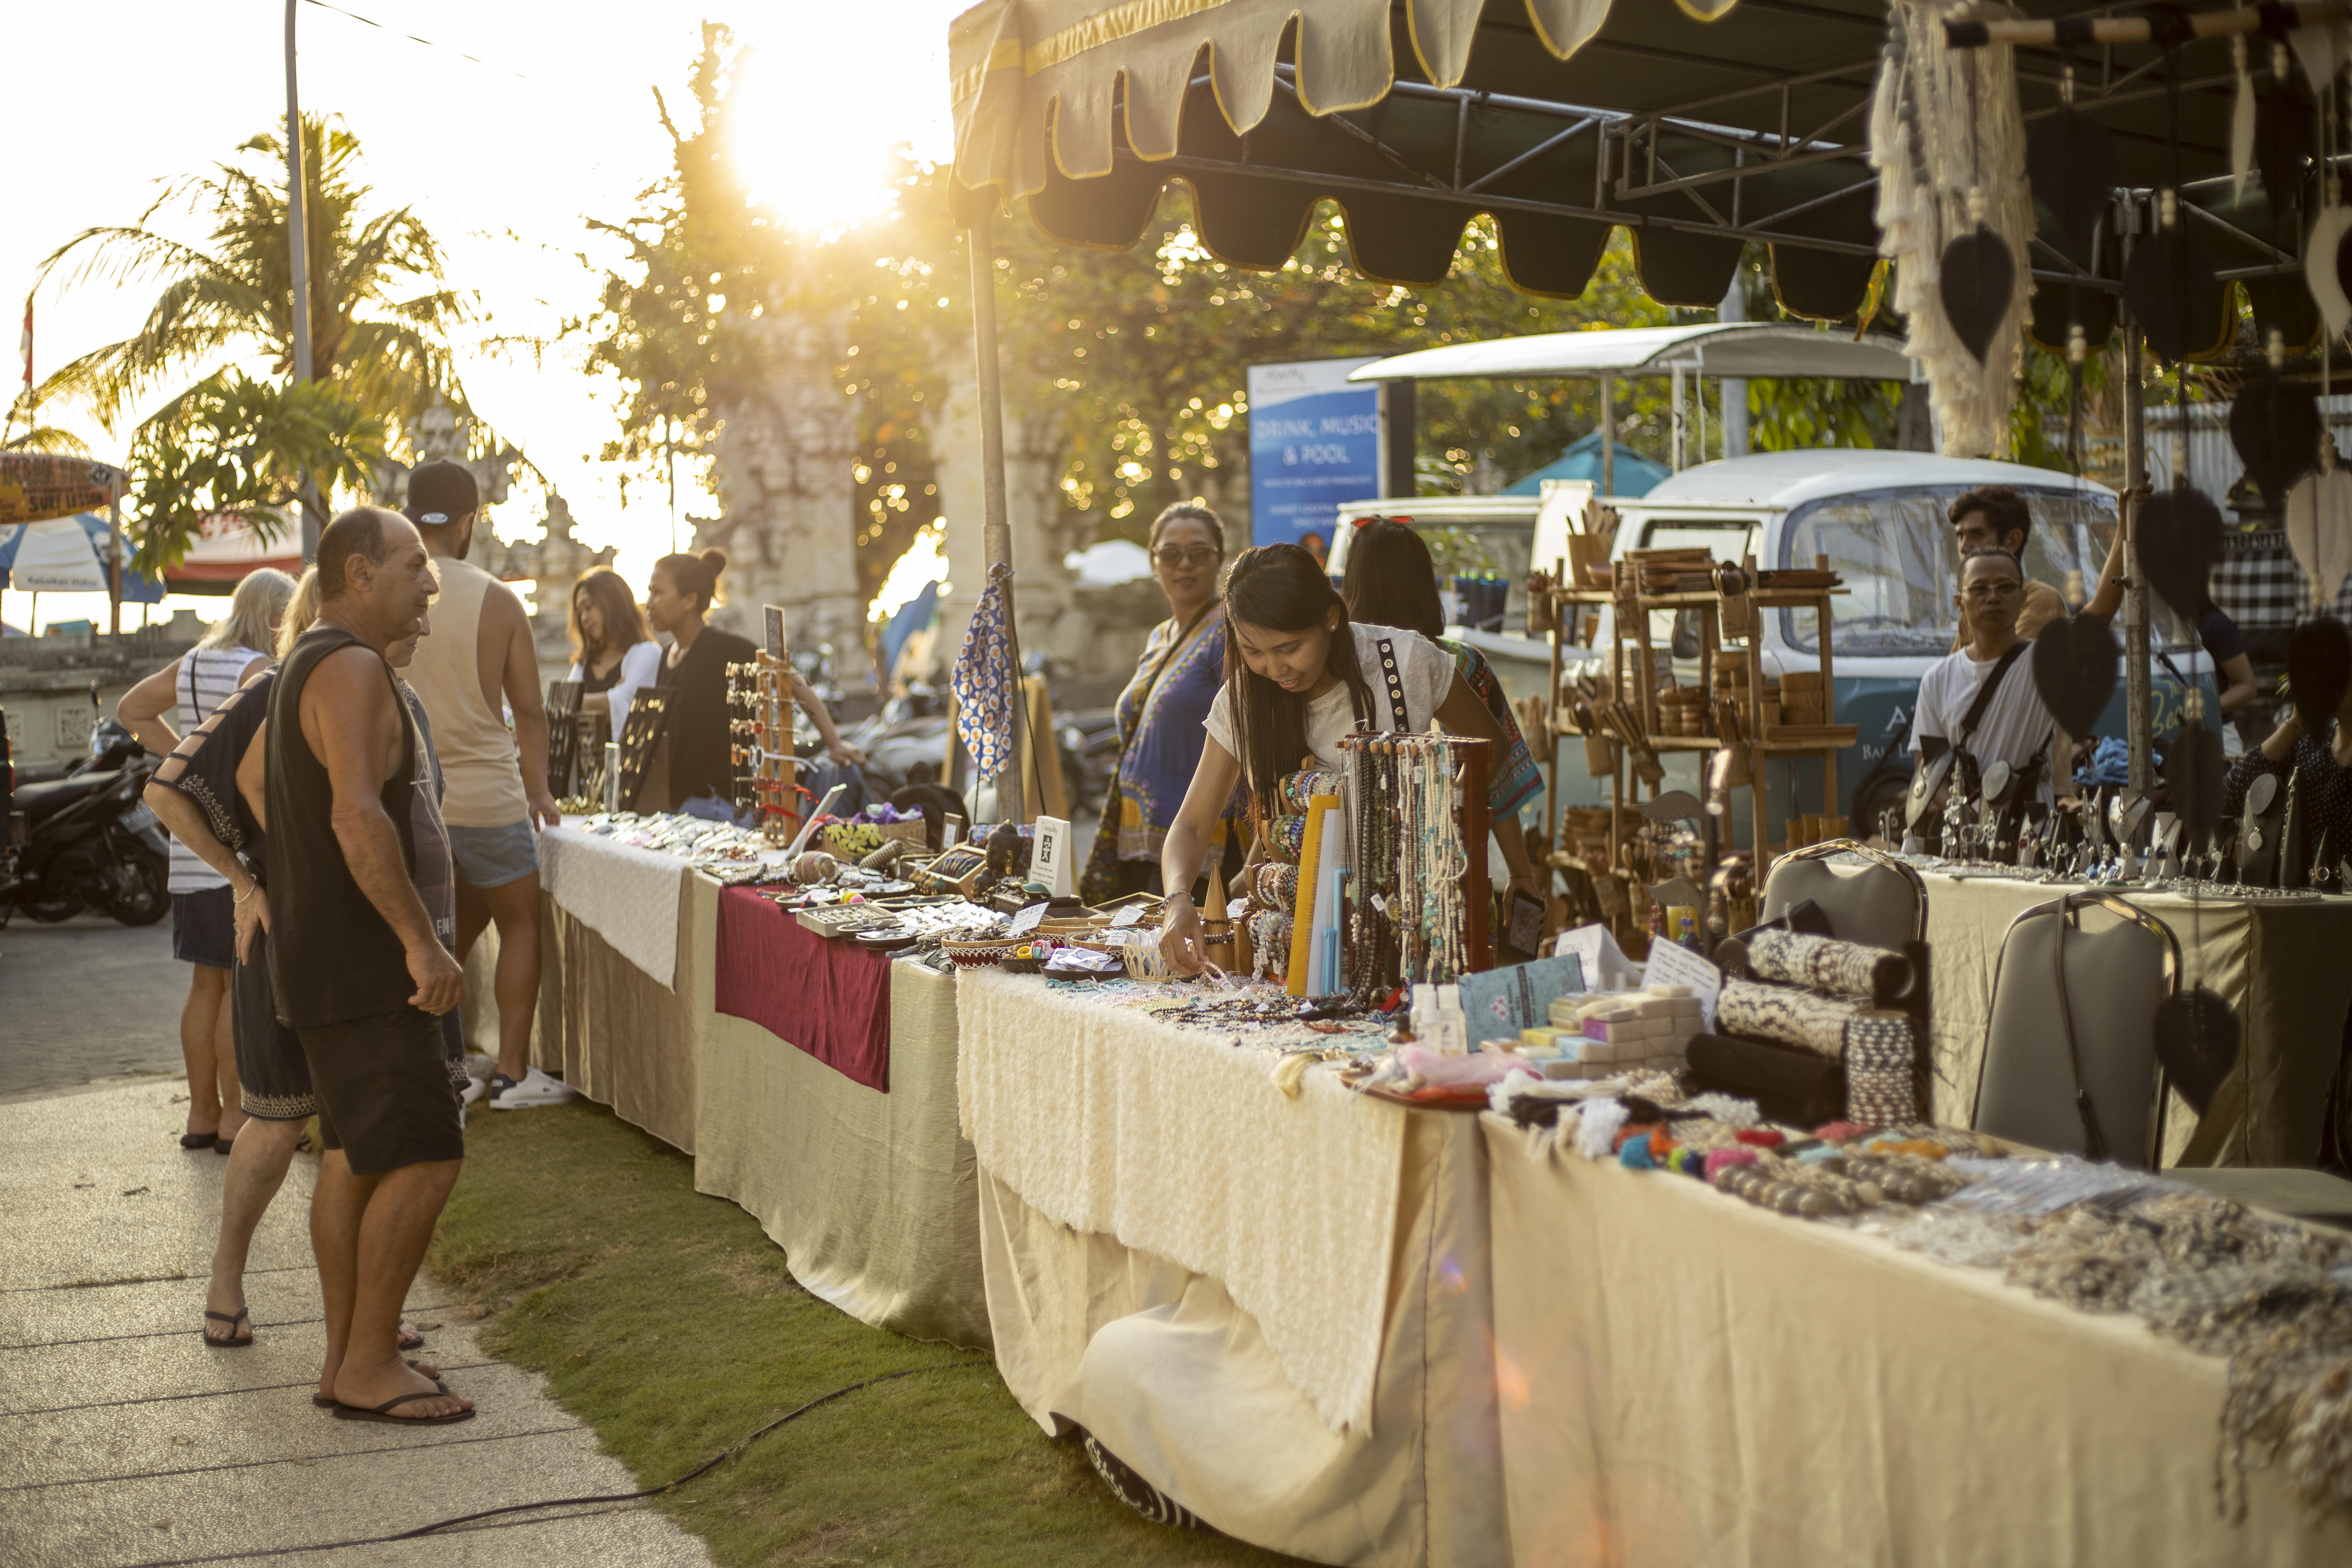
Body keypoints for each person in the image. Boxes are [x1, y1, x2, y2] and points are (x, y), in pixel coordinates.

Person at [144, 575, 441, 1361]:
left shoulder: (375, 686)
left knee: (351, 1140)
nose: (422, 613)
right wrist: (255, 877)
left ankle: (363, 1319)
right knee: (278, 1117)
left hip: (351, 943)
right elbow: (171, 788)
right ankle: (226, 1282)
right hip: (301, 940)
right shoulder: (290, 685)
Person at [265, 507, 471, 1423]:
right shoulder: (347, 667)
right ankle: (370, 1364)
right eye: (415, 565)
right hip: (364, 967)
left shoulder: (314, 658)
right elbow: (357, 815)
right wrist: (420, 941)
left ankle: (348, 1359)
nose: (432, 583)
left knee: (351, 1158)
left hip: (327, 964)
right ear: (358, 574)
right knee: (426, 1154)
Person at [1156, 543, 1540, 973]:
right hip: (1299, 933)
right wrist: (1178, 898)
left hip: (1416, 921)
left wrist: (1431, 806)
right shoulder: (1244, 700)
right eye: (1253, 651)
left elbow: (1490, 749)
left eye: (1289, 648)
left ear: (1330, 618)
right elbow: (1191, 824)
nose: (1274, 667)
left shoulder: (1406, 662)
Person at [396, 460, 570, 1112]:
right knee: (520, 928)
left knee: (439, 939)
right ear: (469, 522)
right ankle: (513, 1074)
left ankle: (436, 1064)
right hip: (491, 798)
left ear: (413, 517)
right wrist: (540, 790)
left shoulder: (393, 589)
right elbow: (530, 710)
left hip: (418, 803)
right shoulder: (497, 598)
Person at [117, 566, 297, 1154]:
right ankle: (232, 1121)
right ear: (276, 616)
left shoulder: (195, 661)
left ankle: (201, 1114)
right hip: (230, 849)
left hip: (187, 841)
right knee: (237, 985)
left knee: (205, 985)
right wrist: (208, 771)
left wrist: (186, 763)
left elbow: (132, 709)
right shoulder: (257, 669)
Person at [1338, 517, 1546, 862]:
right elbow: (1498, 776)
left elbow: (1494, 760)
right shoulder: (1463, 662)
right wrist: (1521, 875)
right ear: (1424, 583)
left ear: (1354, 584)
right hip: (1448, 867)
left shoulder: (1337, 665)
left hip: (1349, 858)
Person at [1079, 503, 1247, 905]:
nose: (1184, 564)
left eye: (1199, 553)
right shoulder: (1160, 636)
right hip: (1137, 840)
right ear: (1154, 563)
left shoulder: (1231, 635)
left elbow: (1250, 733)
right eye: (1171, 554)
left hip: (1199, 848)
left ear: (1220, 560)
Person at [643, 547, 867, 817]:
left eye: (658, 593)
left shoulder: (721, 649)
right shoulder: (667, 655)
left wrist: (834, 743)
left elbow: (791, 679)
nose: (650, 603)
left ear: (689, 600)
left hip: (716, 809)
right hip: (675, 808)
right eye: (650, 592)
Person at [2079, 500, 2257, 757]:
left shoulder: (2214, 625)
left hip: (2216, 733)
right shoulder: (2149, 625)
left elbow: (2248, 686)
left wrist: (2204, 707)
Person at [1913, 547, 2060, 808]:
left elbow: (2102, 610)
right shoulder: (1937, 680)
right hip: (1960, 842)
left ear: (2023, 598)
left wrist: (2122, 528)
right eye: (1980, 589)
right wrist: (1965, 820)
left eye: (2005, 587)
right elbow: (1928, 768)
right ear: (1959, 603)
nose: (1993, 598)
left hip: (2029, 837)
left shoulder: (2047, 664)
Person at [1947, 485, 2065, 647]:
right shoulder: (1974, 599)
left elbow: (2003, 666)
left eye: (1978, 535)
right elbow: (1961, 667)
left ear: (2012, 541)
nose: (1963, 547)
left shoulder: (2040, 599)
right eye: (1961, 536)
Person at [565, 566, 660, 730]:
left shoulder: (648, 653)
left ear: (613, 603)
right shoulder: (584, 663)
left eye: (589, 607)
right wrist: (608, 698)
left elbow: (626, 704)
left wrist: (575, 703)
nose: (584, 618)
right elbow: (563, 710)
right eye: (580, 612)